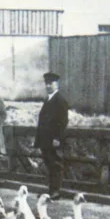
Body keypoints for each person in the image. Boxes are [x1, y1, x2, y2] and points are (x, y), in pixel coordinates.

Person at [34, 72, 69, 200]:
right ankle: (51, 190)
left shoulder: (60, 100)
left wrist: (57, 138)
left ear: (56, 84)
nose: (48, 86)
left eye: (51, 83)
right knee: (49, 164)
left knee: (56, 164)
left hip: (54, 140)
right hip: (45, 139)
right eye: (46, 83)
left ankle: (56, 191)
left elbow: (63, 121)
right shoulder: (48, 99)